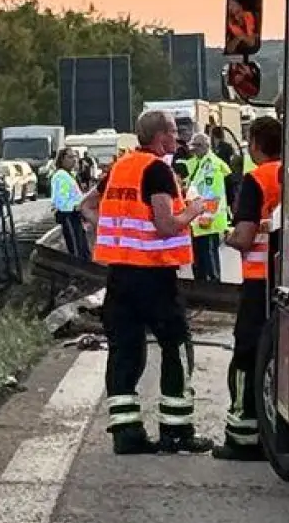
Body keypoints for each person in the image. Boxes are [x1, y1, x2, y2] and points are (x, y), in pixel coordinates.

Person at [80, 110, 214, 456]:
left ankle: (126, 434)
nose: (178, 139)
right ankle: (177, 432)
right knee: (176, 346)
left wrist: (115, 230)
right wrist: (195, 210)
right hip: (154, 277)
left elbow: (88, 206)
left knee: (125, 352)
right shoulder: (158, 170)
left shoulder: (120, 167)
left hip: (120, 276)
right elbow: (166, 224)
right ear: (161, 137)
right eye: (173, 132)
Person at [214, 116, 283, 461]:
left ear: (255, 144)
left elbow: (243, 237)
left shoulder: (257, 179)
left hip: (259, 282)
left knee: (246, 355)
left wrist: (228, 236)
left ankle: (243, 435)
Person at [181, 133, 229, 284]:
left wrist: (206, 216)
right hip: (197, 217)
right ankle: (201, 288)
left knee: (208, 259)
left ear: (205, 147)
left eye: (197, 147)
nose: (194, 151)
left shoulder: (212, 164)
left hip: (207, 218)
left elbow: (212, 192)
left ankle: (213, 289)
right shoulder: (198, 162)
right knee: (199, 258)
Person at [50, 148, 90, 260]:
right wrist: (75, 207)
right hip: (68, 214)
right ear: (62, 159)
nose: (74, 160)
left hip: (75, 215)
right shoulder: (60, 175)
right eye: (70, 157)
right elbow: (61, 198)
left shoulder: (70, 174)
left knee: (82, 246)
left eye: (75, 157)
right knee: (76, 247)